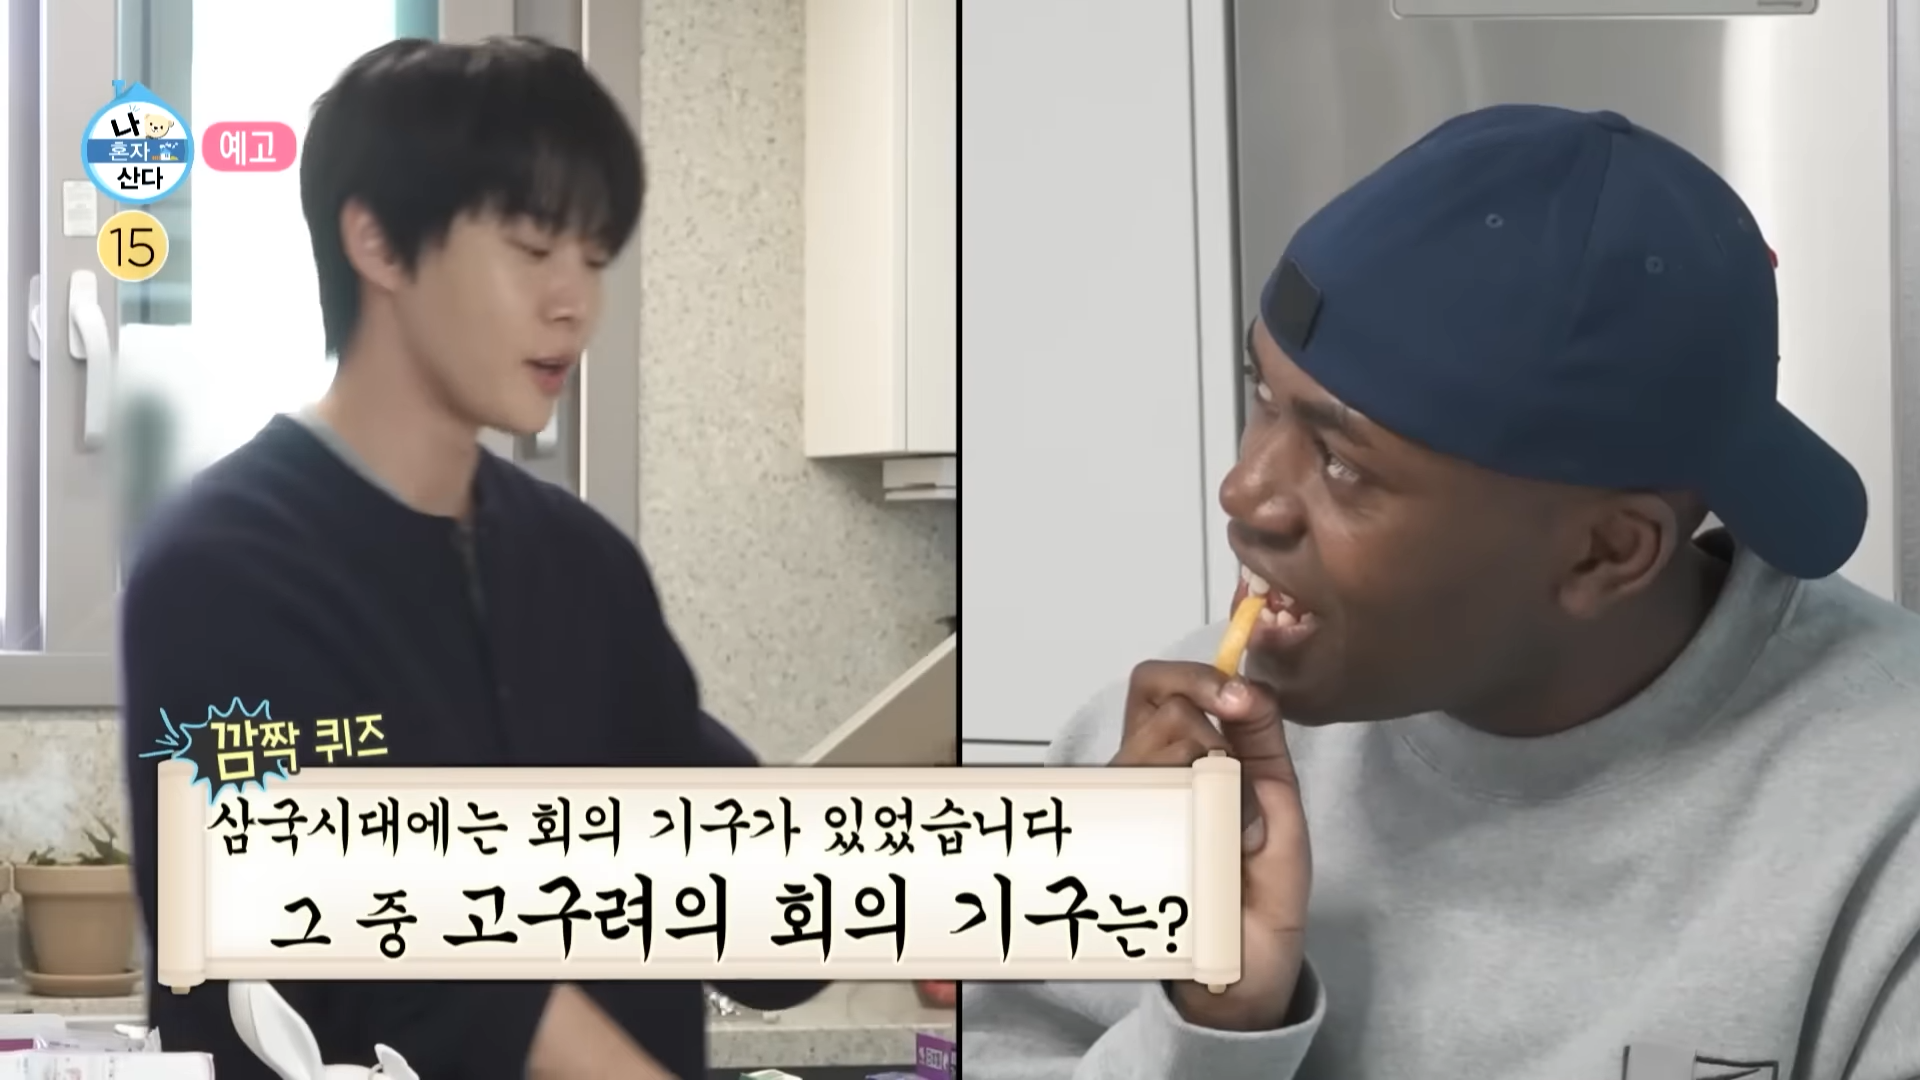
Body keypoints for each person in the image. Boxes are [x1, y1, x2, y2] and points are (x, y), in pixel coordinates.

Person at [963, 105, 1920, 1079]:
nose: (1243, 492)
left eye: (1341, 462)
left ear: (1605, 554)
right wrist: (1215, 1029)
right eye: (1263, 400)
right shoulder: (1153, 763)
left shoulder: (1889, 820)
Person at [118, 37, 822, 1080]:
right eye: (533, 248)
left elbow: (761, 906)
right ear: (377, 242)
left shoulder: (584, 567)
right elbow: (377, 949)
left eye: (594, 258)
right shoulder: (222, 569)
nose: (575, 301)